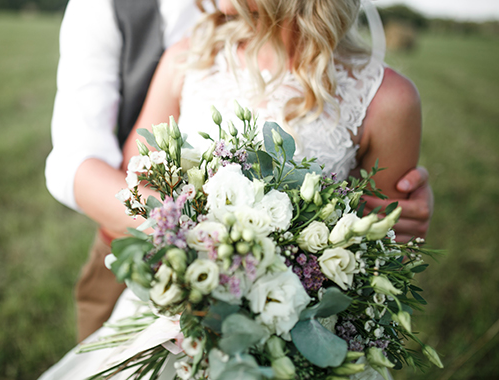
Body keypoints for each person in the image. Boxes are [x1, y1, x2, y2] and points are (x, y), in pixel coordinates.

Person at [44, 0, 433, 344]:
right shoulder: (185, 57)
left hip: (290, 331)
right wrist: (205, 241)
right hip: (157, 277)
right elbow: (105, 165)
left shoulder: (387, 100)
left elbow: (381, 244)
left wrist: (395, 215)